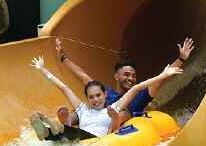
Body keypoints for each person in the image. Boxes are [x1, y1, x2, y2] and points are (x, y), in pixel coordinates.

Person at [27, 56, 182, 142]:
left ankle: (55, 127)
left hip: (93, 140)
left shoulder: (112, 108)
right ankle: (46, 131)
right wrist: (43, 70)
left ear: (105, 95)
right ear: (87, 99)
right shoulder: (83, 109)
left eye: (98, 96)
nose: (95, 100)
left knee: (68, 135)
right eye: (92, 97)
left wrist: (164, 75)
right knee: (55, 136)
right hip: (78, 139)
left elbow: (137, 88)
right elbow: (64, 87)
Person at [54, 37, 195, 128]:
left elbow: (164, 76)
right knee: (81, 111)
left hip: (115, 125)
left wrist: (181, 59)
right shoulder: (105, 92)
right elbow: (81, 75)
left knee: (124, 111)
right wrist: (62, 57)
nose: (131, 78)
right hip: (95, 120)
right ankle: (66, 122)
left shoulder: (142, 94)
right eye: (126, 75)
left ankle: (107, 125)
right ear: (116, 77)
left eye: (133, 76)